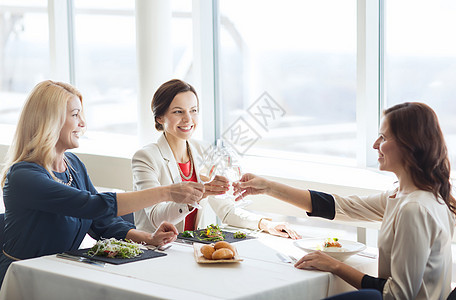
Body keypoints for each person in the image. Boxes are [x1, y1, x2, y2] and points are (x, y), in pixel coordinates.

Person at [233, 102, 456, 299]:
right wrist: (268, 187)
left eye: (384, 137)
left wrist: (335, 266)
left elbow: (397, 295)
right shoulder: (405, 196)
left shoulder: (414, 208)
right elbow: (339, 206)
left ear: (409, 145)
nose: (375, 145)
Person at [0, 80, 205, 285]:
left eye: (81, 114)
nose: (82, 123)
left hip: (60, 272)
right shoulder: (23, 176)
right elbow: (92, 205)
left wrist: (149, 238)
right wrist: (167, 192)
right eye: (74, 115)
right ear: (49, 121)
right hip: (23, 277)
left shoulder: (73, 165)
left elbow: (102, 223)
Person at [132, 79, 300, 239]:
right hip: (156, 252)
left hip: (191, 249)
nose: (188, 119)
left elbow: (226, 210)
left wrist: (265, 224)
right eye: (178, 111)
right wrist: (197, 195)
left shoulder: (205, 151)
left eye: (193, 110)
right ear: (160, 118)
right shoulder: (146, 158)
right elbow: (156, 218)